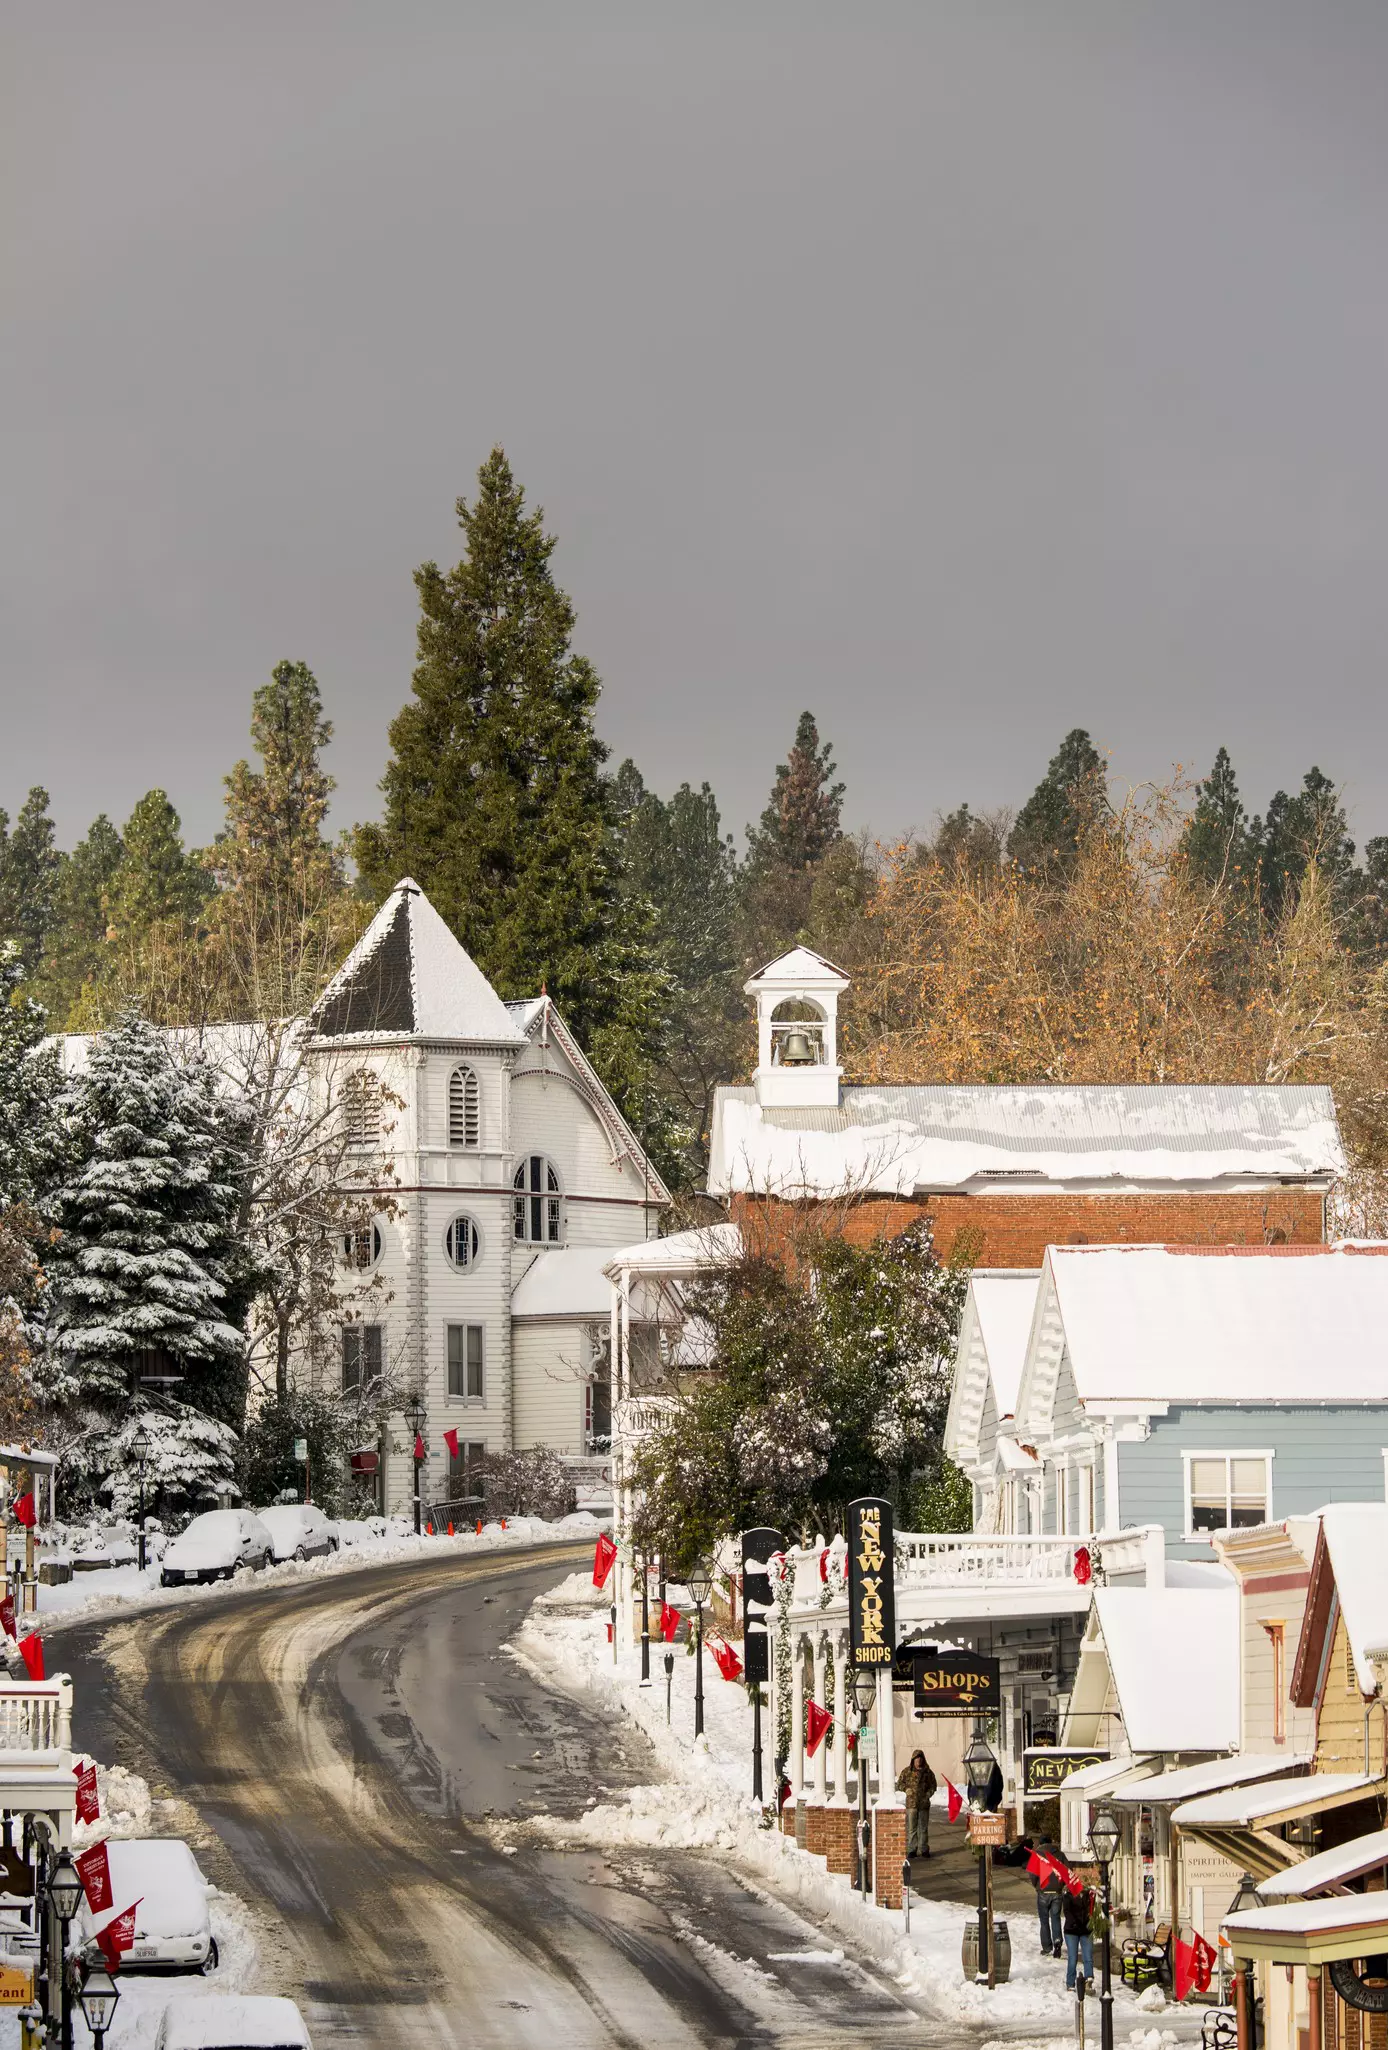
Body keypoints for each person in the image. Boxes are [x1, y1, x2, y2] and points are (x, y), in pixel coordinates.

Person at [1029, 1835, 1067, 1957]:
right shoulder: (1060, 1854)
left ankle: (1046, 1947)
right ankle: (1057, 1940)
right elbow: (1067, 1871)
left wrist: (1037, 1886)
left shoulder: (1037, 1855)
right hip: (1056, 1892)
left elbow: (1033, 1874)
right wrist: (1061, 1885)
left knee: (1044, 1920)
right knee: (1055, 1918)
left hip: (1043, 1891)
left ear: (1040, 1843)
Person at [896, 1749, 937, 1861]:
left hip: (923, 1804)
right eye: (916, 1758)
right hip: (911, 1805)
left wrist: (929, 1793)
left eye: (920, 1758)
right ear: (913, 1760)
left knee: (923, 1828)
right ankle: (912, 1849)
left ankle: (924, 1849)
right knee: (911, 1829)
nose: (918, 1760)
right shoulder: (907, 1772)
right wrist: (906, 1789)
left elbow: (933, 1785)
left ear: (923, 1759)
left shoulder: (928, 1772)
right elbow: (899, 1784)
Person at [1063, 1881, 1094, 1989]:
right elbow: (1067, 1912)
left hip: (1086, 1930)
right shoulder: (1067, 1897)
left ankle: (1088, 1979)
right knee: (1073, 1957)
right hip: (1072, 1930)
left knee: (1088, 1956)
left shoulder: (1088, 1896)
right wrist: (1077, 1923)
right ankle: (1070, 1983)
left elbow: (1091, 1910)